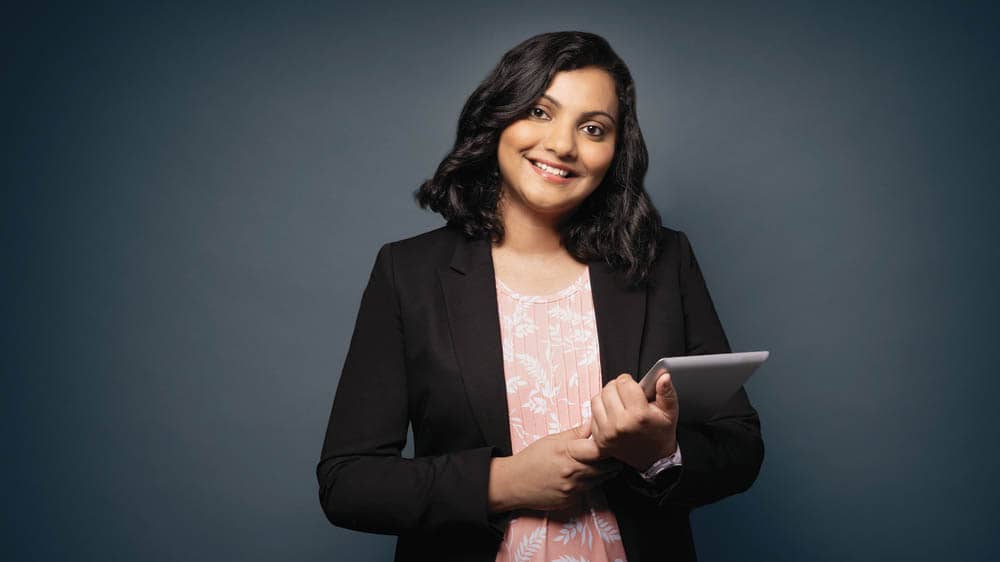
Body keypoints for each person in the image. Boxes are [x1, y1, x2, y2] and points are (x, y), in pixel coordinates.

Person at [317, 31, 764, 562]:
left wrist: (659, 454)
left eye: (593, 128)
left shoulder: (663, 260)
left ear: (616, 151)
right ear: (498, 118)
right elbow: (348, 482)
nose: (562, 145)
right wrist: (502, 482)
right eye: (540, 111)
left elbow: (740, 447)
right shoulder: (408, 272)